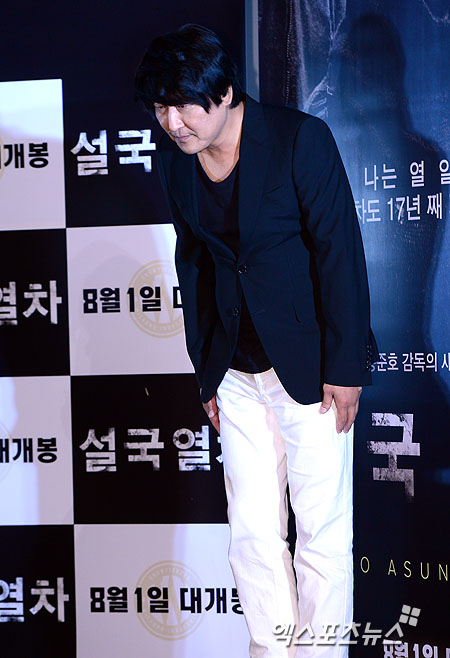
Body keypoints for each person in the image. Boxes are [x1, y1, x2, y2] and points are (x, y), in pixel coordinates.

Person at [135, 23, 377, 658]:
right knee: (251, 535)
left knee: (321, 533)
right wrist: (206, 372)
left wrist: (345, 365)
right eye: (161, 108)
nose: (173, 123)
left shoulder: (299, 139)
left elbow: (340, 254)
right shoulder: (178, 163)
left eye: (185, 105)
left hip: (311, 368)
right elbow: (194, 265)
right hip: (235, 374)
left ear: (224, 93)